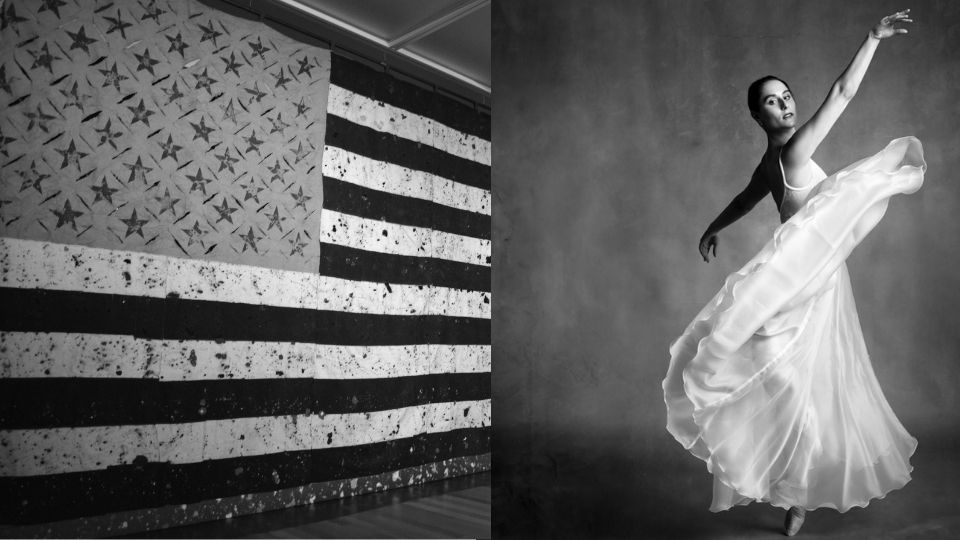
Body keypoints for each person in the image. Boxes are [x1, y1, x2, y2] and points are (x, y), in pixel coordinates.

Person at [662, 10, 925, 537]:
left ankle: (794, 489)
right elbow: (843, 94)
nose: (784, 104)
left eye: (786, 96)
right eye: (771, 102)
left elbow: (746, 198)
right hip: (800, 278)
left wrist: (714, 226)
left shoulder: (774, 159)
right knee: (789, 380)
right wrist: (871, 38)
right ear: (758, 117)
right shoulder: (793, 151)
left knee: (803, 380)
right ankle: (791, 482)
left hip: (812, 276)